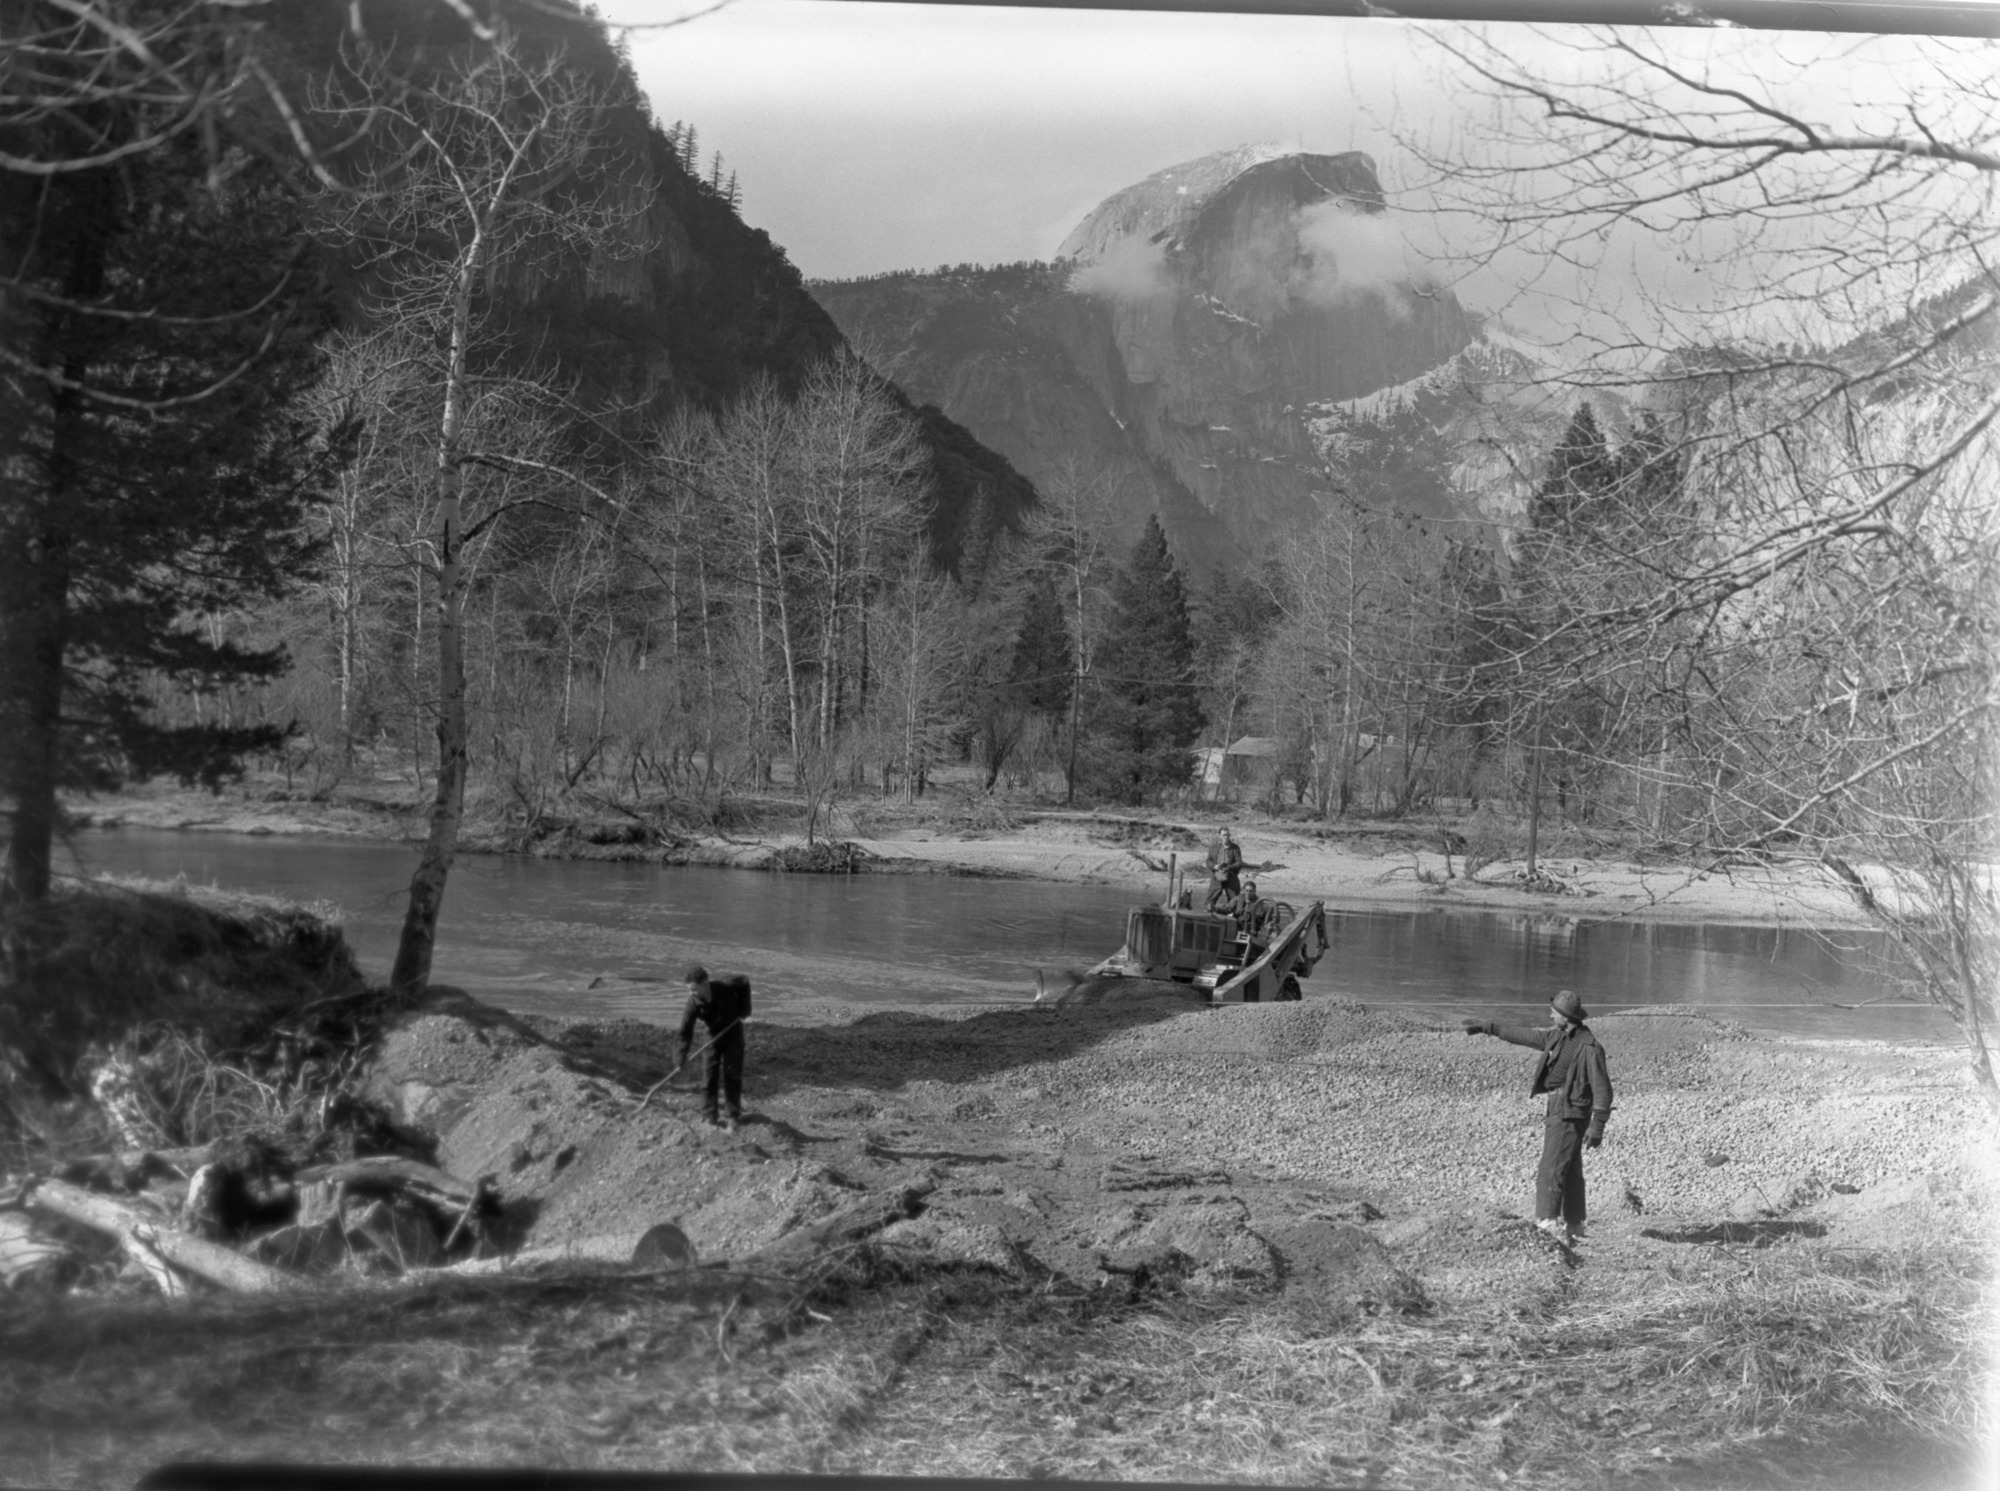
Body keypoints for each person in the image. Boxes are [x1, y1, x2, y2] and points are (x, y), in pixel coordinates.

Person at [1460, 989, 1612, 1246]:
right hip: (1560, 1107)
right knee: (1571, 1169)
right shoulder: (1557, 1037)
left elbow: (1603, 1090)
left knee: (1551, 1166)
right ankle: (1574, 1226)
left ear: (1566, 1016)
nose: (1550, 1013)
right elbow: (1525, 1036)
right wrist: (1490, 1027)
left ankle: (1547, 1222)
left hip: (1569, 1111)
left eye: (1554, 1011)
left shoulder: (1589, 1048)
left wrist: (1597, 1126)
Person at [678, 964, 752, 1130]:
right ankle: (709, 1115)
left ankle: (733, 1116)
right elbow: (685, 1031)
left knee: (732, 1074)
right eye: (689, 990)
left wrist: (744, 1010)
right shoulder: (693, 1003)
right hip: (712, 1035)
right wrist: (680, 1057)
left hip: (733, 1033)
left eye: (694, 989)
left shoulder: (725, 987)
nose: (691, 993)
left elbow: (744, 981)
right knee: (709, 1074)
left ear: (706, 983)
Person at [1205, 826, 1244, 912]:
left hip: (1231, 877)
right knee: (1210, 900)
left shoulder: (1235, 848)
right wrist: (1214, 866)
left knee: (1234, 901)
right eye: (1224, 835)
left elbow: (1239, 862)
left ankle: (1233, 918)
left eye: (1228, 835)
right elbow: (1208, 860)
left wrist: (1229, 867)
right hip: (1217, 876)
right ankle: (1208, 917)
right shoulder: (1214, 847)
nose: (1226, 837)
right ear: (1220, 835)